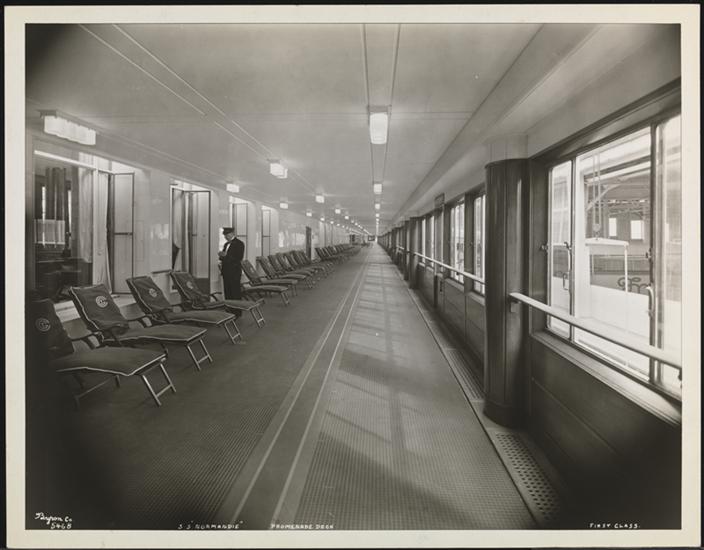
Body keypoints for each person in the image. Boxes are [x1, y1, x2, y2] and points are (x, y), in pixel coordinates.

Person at [218, 227, 245, 302]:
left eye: (227, 235)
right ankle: (229, 307)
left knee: (235, 291)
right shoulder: (226, 244)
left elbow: (239, 257)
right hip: (226, 271)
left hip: (234, 272)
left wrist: (226, 255)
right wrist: (221, 255)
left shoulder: (239, 244)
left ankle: (237, 308)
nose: (226, 237)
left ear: (232, 234)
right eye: (225, 235)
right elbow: (222, 258)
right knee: (227, 291)